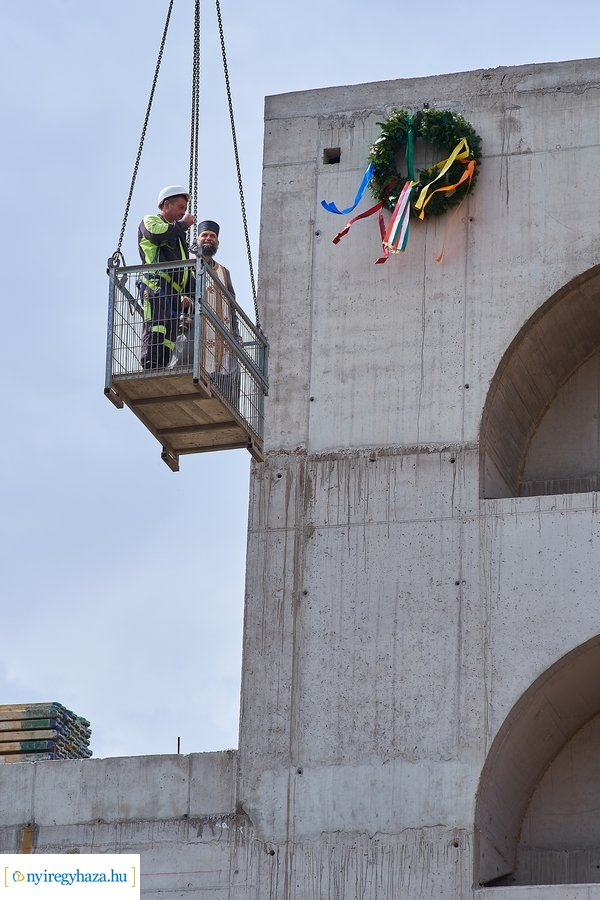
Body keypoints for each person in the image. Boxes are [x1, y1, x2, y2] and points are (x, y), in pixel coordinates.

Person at [169, 220, 241, 407]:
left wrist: (236, 334)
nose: (209, 238)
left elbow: (232, 305)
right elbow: (174, 290)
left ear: (217, 242)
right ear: (197, 240)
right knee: (187, 366)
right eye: (205, 235)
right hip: (194, 329)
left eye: (213, 236)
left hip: (221, 335)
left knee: (224, 377)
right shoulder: (188, 265)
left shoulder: (224, 272)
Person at [137, 185, 196, 369]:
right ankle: (150, 363)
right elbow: (156, 233)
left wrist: (192, 295)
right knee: (156, 326)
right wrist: (184, 224)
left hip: (172, 292)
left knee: (170, 333)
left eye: (184, 209)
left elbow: (184, 270)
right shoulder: (150, 221)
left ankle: (162, 365)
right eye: (180, 207)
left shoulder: (178, 236)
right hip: (155, 285)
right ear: (166, 205)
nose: (183, 212)